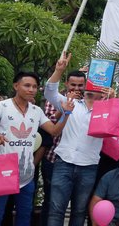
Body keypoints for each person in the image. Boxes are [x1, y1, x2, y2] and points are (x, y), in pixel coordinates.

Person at [0, 71, 73, 226]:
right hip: (2, 171)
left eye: (35, 87)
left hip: (26, 175)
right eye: (27, 85)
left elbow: (54, 131)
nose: (31, 90)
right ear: (16, 86)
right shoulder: (0, 107)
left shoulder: (36, 111)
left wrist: (67, 113)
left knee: (25, 216)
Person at [45, 54, 111, 226]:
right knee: (56, 210)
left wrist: (111, 100)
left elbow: (114, 127)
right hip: (63, 163)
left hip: (88, 166)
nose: (84, 88)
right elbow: (49, 91)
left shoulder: (106, 109)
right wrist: (59, 71)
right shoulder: (69, 103)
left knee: (79, 212)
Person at [40, 67, 85, 223]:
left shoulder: (88, 104)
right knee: (51, 203)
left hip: (78, 162)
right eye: (73, 85)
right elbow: (51, 128)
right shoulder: (57, 99)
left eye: (80, 85)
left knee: (78, 207)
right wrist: (65, 107)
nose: (76, 89)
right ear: (66, 84)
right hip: (53, 159)